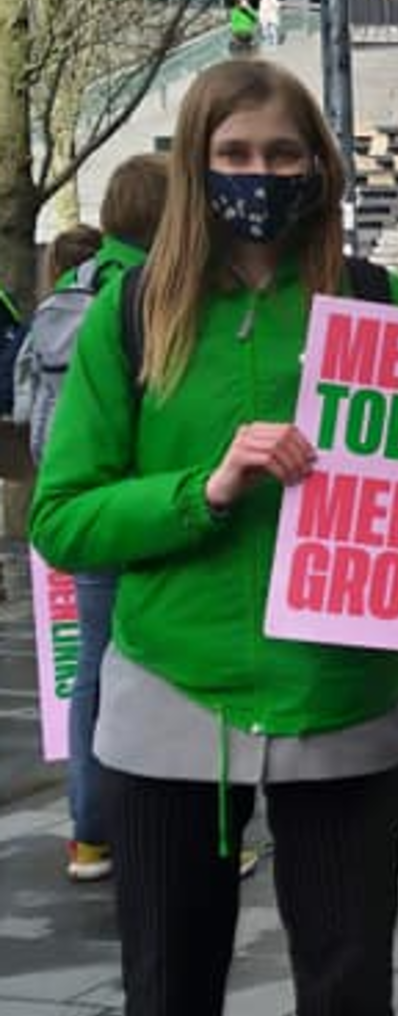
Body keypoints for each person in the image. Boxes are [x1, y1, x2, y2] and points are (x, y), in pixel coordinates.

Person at [31, 58, 398, 1016]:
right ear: (194, 167)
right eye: (234, 152)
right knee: (168, 989)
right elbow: (63, 518)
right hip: (171, 709)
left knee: (348, 991)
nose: (260, 173)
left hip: (346, 704)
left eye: (284, 153)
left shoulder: (378, 302)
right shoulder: (129, 317)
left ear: (320, 166)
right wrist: (200, 491)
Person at [21, 155, 167, 884]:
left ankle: (90, 834)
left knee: (93, 674)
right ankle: (200, 835)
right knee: (182, 671)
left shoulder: (62, 299)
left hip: (76, 511)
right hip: (151, 512)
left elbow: (26, 412)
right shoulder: (154, 298)